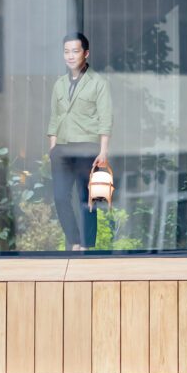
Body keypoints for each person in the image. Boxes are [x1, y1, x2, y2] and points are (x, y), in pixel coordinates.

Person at [48, 32, 113, 251]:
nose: (70, 56)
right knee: (60, 197)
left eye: (75, 51)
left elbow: (106, 118)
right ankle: (75, 240)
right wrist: (53, 147)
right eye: (66, 51)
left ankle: (86, 245)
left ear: (86, 53)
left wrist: (103, 151)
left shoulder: (98, 83)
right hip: (63, 149)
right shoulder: (59, 84)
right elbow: (54, 118)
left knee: (88, 199)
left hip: (87, 148)